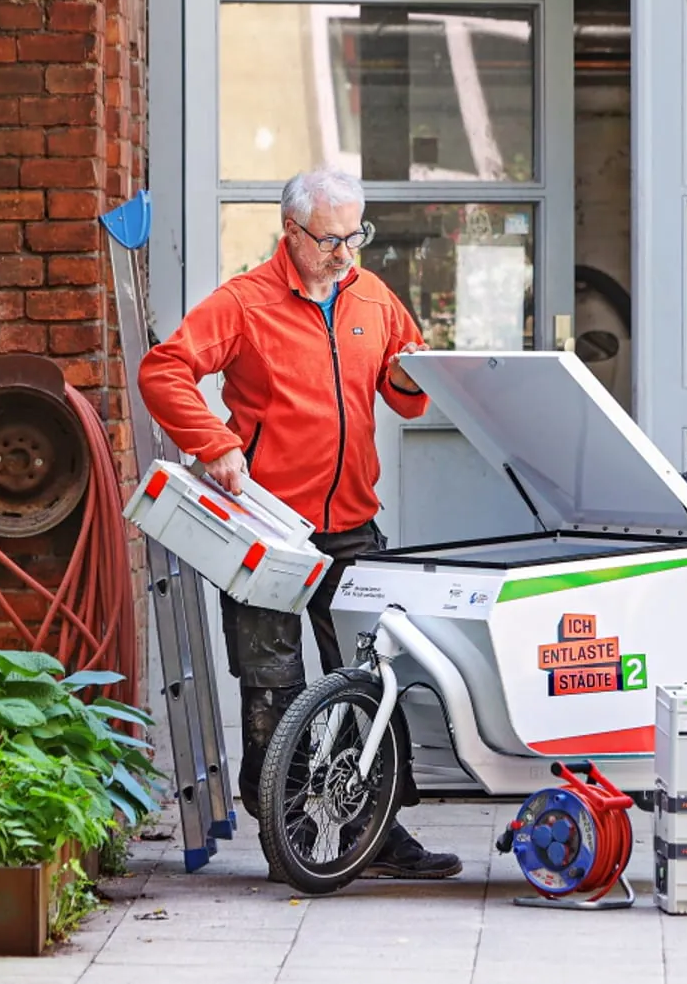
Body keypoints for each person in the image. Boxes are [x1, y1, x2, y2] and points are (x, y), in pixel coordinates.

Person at [137, 167, 462, 881]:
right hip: (268, 529)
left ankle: (376, 830)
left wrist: (425, 371)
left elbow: (404, 394)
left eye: (356, 236)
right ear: (291, 232)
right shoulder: (245, 302)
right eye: (332, 239)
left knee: (373, 680)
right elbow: (164, 370)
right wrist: (217, 444)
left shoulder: (372, 296)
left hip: (352, 524)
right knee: (273, 684)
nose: (347, 253)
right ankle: (286, 828)